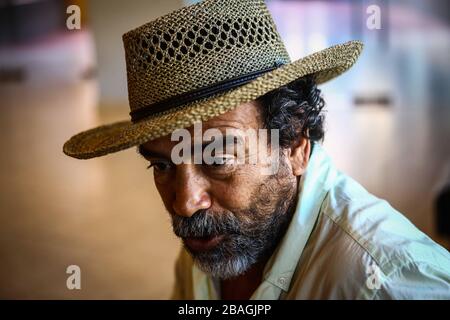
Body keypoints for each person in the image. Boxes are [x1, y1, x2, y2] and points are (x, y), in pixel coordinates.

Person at [63, 0, 450, 299]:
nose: (184, 203)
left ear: (296, 145)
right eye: (162, 166)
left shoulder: (385, 280)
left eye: (217, 158)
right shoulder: (214, 243)